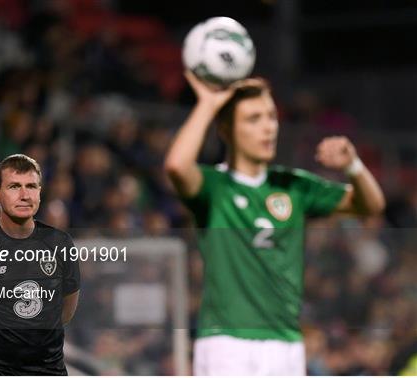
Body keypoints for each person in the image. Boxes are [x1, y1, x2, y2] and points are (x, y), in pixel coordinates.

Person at [164, 72, 385, 375]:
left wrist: (353, 166)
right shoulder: (215, 187)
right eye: (254, 119)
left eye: (271, 116)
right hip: (226, 343)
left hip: (285, 343)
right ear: (226, 129)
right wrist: (208, 103)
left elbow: (371, 205)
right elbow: (177, 166)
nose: (268, 127)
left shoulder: (293, 186)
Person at [0, 154, 80, 375]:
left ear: (39, 192)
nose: (24, 195)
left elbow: (67, 307)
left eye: (31, 186)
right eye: (14, 186)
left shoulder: (61, 244)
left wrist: (37, 342)